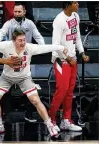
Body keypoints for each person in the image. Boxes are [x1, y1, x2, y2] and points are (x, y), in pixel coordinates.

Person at [0, 29, 68, 136]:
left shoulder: (30, 47)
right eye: (20, 40)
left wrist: (62, 47)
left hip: (24, 78)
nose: (23, 43)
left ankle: (49, 125)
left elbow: (47, 47)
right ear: (14, 41)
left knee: (35, 100)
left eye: (24, 40)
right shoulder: (6, 46)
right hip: (7, 77)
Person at [0, 3, 45, 122]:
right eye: (15, 12)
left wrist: (43, 47)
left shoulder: (30, 23)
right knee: (6, 87)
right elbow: (1, 34)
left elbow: (38, 36)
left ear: (24, 12)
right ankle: (4, 113)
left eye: (19, 12)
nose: (16, 14)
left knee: (29, 87)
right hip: (10, 58)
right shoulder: (8, 23)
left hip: (25, 59)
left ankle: (28, 113)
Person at [49, 1, 90, 132]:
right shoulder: (59, 20)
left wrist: (82, 53)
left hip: (73, 59)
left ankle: (66, 120)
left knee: (70, 92)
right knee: (62, 91)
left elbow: (77, 37)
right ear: (67, 5)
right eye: (75, 2)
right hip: (62, 60)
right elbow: (55, 44)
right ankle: (51, 120)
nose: (78, 4)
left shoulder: (75, 16)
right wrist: (67, 58)